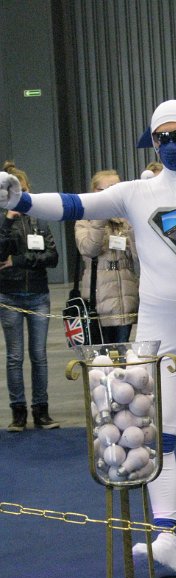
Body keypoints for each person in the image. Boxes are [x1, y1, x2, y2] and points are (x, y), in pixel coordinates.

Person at [0, 100, 176, 576]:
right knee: (157, 435)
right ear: (151, 141)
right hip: (158, 331)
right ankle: (164, 535)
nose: (172, 144)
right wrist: (22, 200)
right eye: (163, 137)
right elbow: (75, 204)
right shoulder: (136, 193)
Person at [0, 161, 59, 431]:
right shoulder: (3, 221)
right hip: (9, 296)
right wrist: (8, 220)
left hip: (38, 295)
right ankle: (18, 412)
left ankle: (41, 410)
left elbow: (52, 257)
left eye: (22, 192)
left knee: (39, 355)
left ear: (28, 191)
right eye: (13, 192)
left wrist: (20, 260)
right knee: (14, 357)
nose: (18, 197)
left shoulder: (39, 220)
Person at [75, 169, 139, 344]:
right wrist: (100, 216)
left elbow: (137, 255)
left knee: (122, 348)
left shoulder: (125, 220)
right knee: (101, 352)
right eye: (108, 190)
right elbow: (89, 249)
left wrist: (132, 223)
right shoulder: (85, 220)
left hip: (125, 295)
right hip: (99, 296)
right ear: (96, 192)